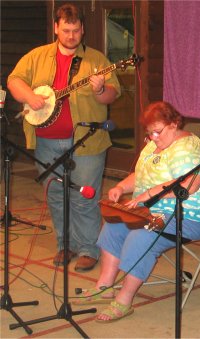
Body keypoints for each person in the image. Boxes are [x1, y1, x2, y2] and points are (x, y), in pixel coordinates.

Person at [74, 101, 200, 322]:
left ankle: (124, 300)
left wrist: (149, 194)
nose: (153, 137)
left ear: (174, 124)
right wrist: (121, 187)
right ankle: (105, 286)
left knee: (143, 235)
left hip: (191, 215)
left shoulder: (186, 148)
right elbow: (141, 174)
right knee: (115, 222)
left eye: (157, 131)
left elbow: (190, 185)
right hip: (156, 209)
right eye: (149, 133)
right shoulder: (156, 143)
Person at [7, 3, 121, 272]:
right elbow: (14, 80)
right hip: (45, 141)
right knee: (55, 194)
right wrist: (30, 96)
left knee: (85, 197)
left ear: (83, 29)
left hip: (87, 141)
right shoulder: (37, 56)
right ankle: (65, 245)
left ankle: (88, 248)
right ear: (56, 27)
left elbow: (112, 95)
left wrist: (100, 88)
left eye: (77, 30)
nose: (71, 36)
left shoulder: (96, 60)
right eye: (66, 30)